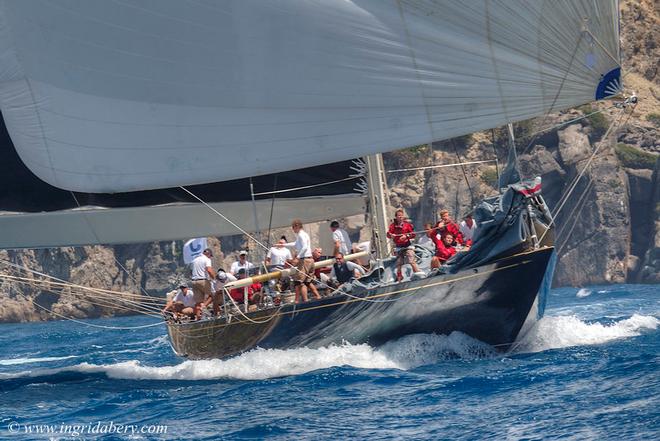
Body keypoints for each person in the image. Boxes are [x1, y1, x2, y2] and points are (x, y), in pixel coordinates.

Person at [285, 219, 321, 303]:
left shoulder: (301, 235)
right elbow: (295, 244)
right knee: (308, 281)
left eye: (293, 228)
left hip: (304, 260)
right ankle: (318, 296)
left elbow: (304, 247)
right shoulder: (304, 234)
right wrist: (283, 245)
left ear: (296, 226)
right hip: (310, 260)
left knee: (299, 282)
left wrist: (298, 257)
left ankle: (300, 301)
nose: (293, 230)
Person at [387, 209, 420, 281]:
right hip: (399, 246)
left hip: (407, 245)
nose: (400, 217)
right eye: (399, 216)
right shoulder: (393, 226)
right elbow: (388, 234)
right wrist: (391, 235)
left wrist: (406, 236)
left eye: (401, 216)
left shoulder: (407, 225)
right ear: (396, 217)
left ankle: (417, 272)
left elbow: (413, 234)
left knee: (411, 258)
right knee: (399, 262)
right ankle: (399, 276)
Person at [190, 248, 215, 320]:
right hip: (202, 280)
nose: (210, 257)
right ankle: (203, 307)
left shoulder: (194, 260)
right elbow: (209, 270)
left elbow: (190, 272)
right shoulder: (207, 259)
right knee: (213, 295)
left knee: (198, 302)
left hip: (194, 281)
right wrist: (214, 278)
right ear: (209, 254)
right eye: (210, 256)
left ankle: (198, 318)